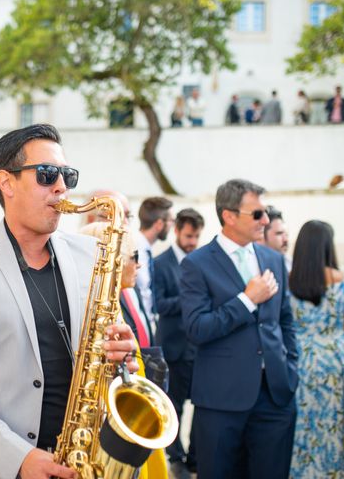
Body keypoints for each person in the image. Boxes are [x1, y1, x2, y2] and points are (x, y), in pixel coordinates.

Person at [0, 124, 137, 479]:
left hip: (81, 460)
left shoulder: (92, 255)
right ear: (6, 182)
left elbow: (106, 360)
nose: (61, 187)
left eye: (67, 175)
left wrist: (121, 357)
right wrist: (20, 458)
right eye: (47, 174)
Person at [180, 179, 298, 479]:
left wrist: (290, 369)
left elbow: (285, 320)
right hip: (221, 400)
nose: (266, 220)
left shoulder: (273, 259)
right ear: (229, 216)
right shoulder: (197, 263)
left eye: (266, 212)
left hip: (275, 395)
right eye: (257, 214)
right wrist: (246, 300)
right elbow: (196, 328)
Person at [79, 221, 169, 479]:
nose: (139, 264)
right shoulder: (98, 311)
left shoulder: (119, 300)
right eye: (135, 256)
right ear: (114, 260)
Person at [288, 220, 344, 478]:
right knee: (336, 423)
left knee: (304, 424)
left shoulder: (289, 281)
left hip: (301, 361)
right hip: (335, 361)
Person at [154, 208, 205, 478]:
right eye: (188, 236)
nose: (193, 242)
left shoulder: (201, 260)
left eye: (196, 236)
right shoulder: (160, 263)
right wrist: (189, 299)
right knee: (173, 407)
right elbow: (158, 303)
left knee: (201, 403)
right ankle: (176, 457)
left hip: (199, 347)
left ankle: (196, 457)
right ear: (176, 231)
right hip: (172, 347)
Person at [136, 197, 174, 341]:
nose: (172, 225)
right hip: (138, 329)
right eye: (171, 220)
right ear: (159, 224)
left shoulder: (145, 249)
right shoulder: (134, 249)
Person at [260, 206, 291, 272]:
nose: (286, 239)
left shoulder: (290, 263)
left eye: (286, 234)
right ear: (262, 235)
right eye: (279, 233)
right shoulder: (256, 266)